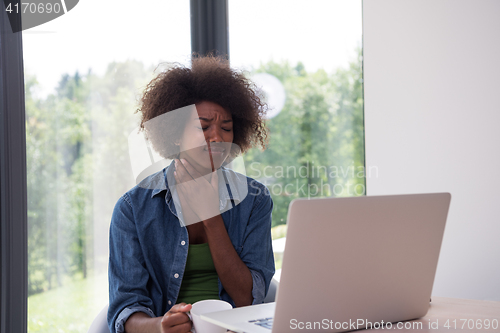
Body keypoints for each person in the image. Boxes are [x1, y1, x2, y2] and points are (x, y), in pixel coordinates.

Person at [107, 56, 275, 333]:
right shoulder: (132, 209)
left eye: (226, 128)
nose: (217, 138)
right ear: (175, 134)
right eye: (203, 126)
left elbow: (248, 298)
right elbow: (125, 310)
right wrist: (161, 326)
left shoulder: (255, 200)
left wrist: (211, 217)